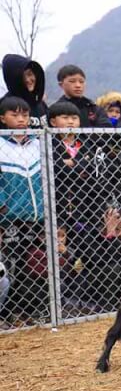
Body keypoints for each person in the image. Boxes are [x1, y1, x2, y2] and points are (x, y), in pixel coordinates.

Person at [0, 97, 43, 322]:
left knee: (32, 266)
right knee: (10, 265)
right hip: (9, 218)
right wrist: (2, 205)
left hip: (36, 217)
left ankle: (27, 310)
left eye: (24, 115)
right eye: (14, 115)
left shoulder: (38, 142)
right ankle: (6, 312)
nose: (20, 119)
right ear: (2, 118)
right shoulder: (1, 145)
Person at [1, 54, 47, 129]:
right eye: (21, 77)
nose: (28, 80)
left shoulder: (40, 104)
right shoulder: (4, 105)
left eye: (30, 74)